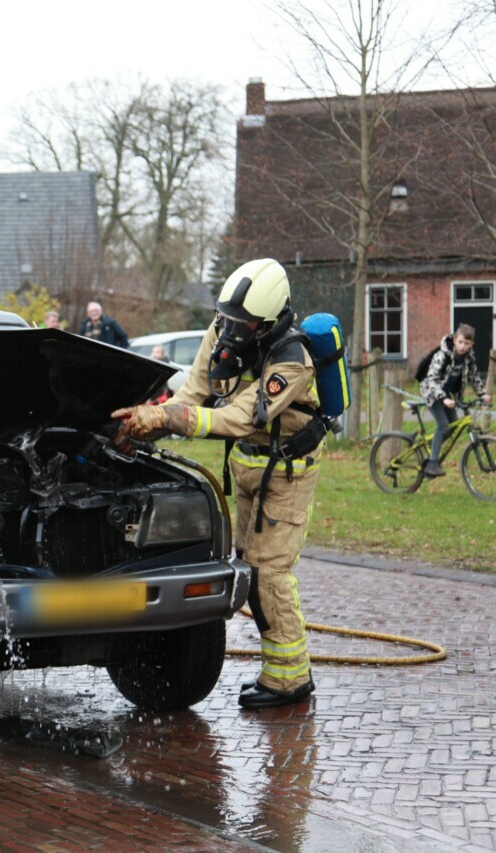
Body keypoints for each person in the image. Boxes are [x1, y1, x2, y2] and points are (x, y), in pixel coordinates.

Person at [111, 258, 322, 710]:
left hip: (287, 473)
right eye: (227, 317)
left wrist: (169, 417)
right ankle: (282, 669)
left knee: (269, 573)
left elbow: (238, 417)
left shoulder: (292, 359)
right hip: (248, 468)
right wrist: (151, 425)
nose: (231, 329)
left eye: (242, 322)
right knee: (247, 567)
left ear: (268, 321)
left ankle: (289, 678)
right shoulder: (223, 328)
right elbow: (193, 393)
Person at [419, 323, 491, 478]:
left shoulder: (469, 357)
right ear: (454, 340)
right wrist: (443, 398)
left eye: (467, 343)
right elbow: (431, 379)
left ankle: (433, 446)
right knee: (443, 425)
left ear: (472, 344)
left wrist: (482, 393)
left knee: (452, 427)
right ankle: (432, 463)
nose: (463, 346)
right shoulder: (442, 355)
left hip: (447, 395)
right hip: (432, 393)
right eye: (460, 342)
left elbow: (473, 376)